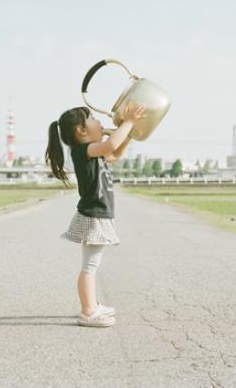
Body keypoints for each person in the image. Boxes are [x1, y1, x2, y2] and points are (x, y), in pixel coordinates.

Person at [45, 102, 146, 327]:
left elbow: (116, 152)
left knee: (92, 265)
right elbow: (111, 143)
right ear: (81, 131)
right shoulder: (83, 151)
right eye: (93, 120)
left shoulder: (94, 153)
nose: (100, 123)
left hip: (98, 216)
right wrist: (128, 122)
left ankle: (92, 305)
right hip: (93, 216)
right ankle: (88, 311)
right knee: (89, 267)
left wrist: (128, 133)